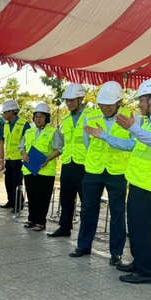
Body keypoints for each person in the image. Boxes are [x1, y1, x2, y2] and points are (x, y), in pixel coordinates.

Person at [85, 78, 151, 284]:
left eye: (142, 100)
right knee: (135, 226)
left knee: (144, 228)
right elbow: (130, 146)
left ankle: (145, 271)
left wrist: (134, 128)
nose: (139, 104)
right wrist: (104, 136)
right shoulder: (150, 121)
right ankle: (138, 262)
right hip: (138, 180)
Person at [69, 81, 131, 266]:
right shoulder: (91, 117)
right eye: (101, 104)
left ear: (119, 102)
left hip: (117, 172)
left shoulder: (129, 118)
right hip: (93, 170)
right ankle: (83, 245)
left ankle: (116, 252)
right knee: (88, 209)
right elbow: (88, 143)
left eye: (108, 105)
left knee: (118, 212)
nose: (104, 108)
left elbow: (131, 145)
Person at [48, 83, 93, 237]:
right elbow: (61, 143)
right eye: (67, 100)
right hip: (68, 163)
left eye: (72, 100)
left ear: (81, 98)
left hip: (85, 164)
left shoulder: (93, 115)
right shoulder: (65, 119)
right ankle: (64, 228)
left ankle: (84, 235)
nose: (69, 103)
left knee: (86, 202)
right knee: (66, 198)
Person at [19, 102, 64, 231]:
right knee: (32, 195)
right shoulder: (29, 131)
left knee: (43, 197)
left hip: (45, 170)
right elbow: (21, 147)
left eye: (41, 116)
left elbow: (59, 149)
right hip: (30, 168)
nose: (38, 119)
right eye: (36, 116)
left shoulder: (53, 131)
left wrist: (48, 158)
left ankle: (41, 222)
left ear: (47, 118)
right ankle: (31, 218)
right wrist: (24, 154)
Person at [0, 100, 30, 213]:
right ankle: (11, 201)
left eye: (5, 112)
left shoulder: (23, 124)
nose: (3, 115)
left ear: (11, 112)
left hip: (19, 158)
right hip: (9, 158)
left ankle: (19, 204)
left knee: (17, 182)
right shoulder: (6, 125)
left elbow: (28, 141)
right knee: (8, 181)